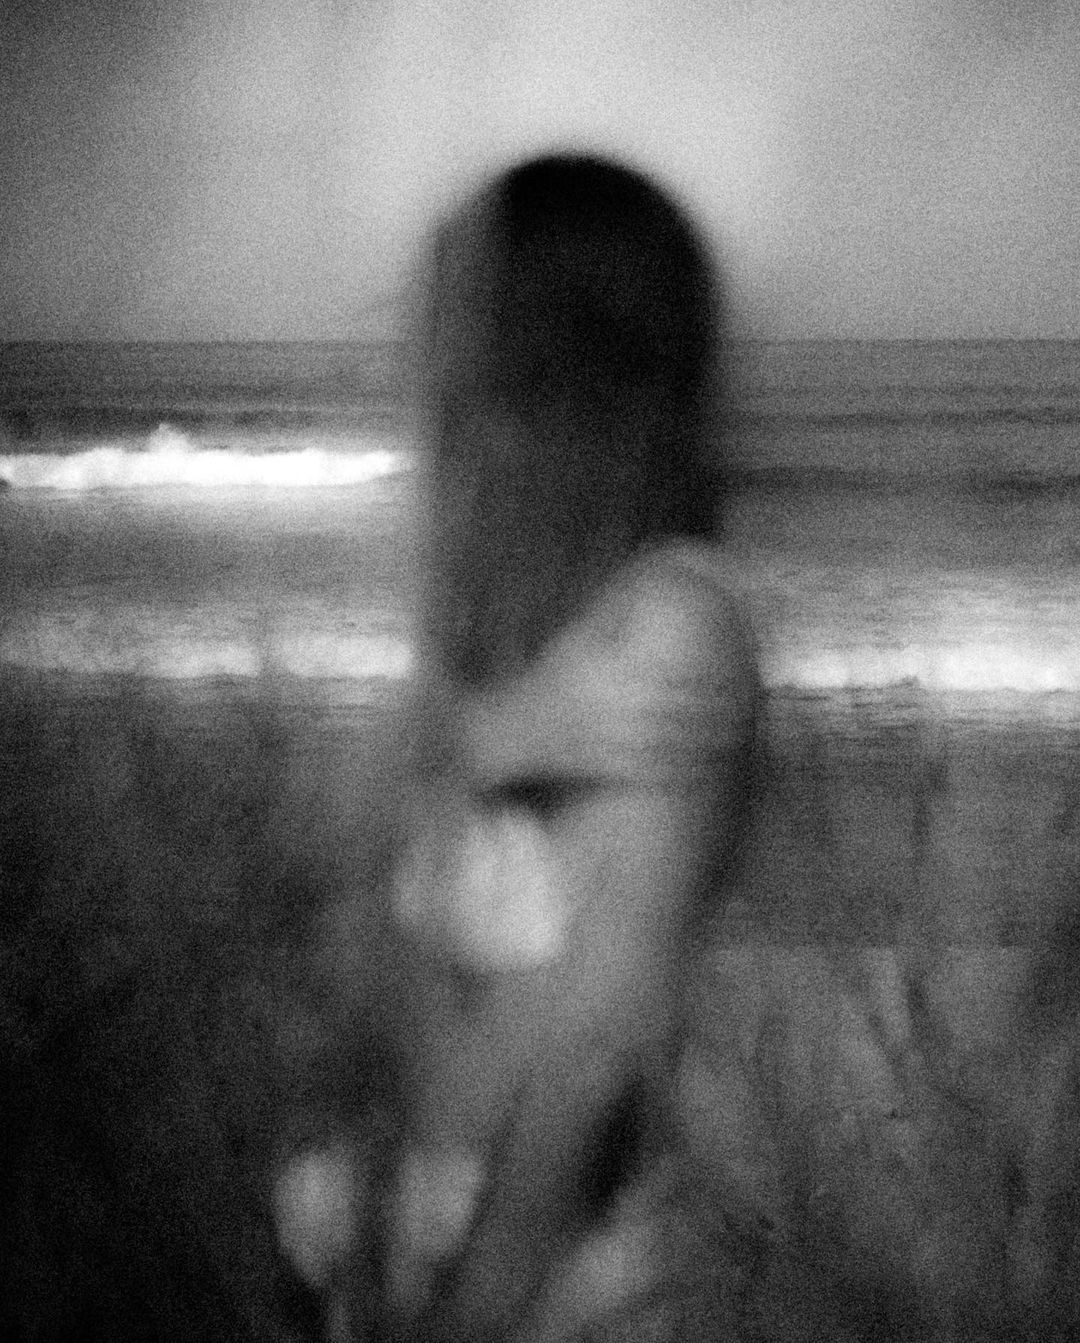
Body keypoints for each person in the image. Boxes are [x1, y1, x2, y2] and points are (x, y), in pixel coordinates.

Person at [276, 151, 762, 1342]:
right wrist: (493, 734)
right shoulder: (506, 642)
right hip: (414, 1244)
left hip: (542, 1276)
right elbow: (318, 844)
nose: (418, 372)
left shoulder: (666, 628)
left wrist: (481, 1306)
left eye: (454, 329)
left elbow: (592, 1047)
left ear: (542, 366)